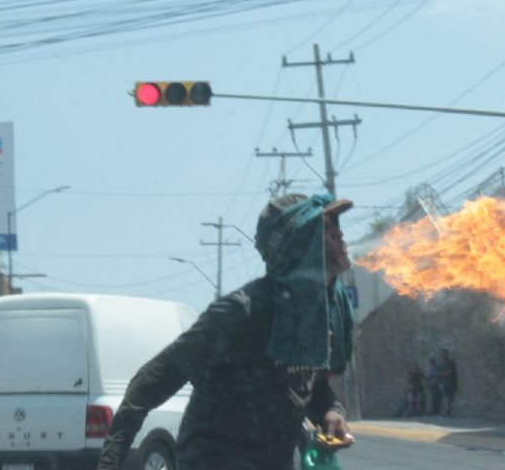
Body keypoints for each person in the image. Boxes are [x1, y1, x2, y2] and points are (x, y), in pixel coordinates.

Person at [97, 193, 356, 470]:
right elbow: (148, 384)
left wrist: (331, 410)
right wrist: (110, 462)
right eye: (326, 227)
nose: (340, 233)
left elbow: (305, 385)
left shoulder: (322, 315)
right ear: (298, 243)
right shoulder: (242, 312)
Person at [437, 349, 458, 418]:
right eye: (442, 354)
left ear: (447, 355)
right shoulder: (441, 364)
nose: (443, 356)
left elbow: (449, 373)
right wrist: (442, 375)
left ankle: (448, 414)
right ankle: (444, 414)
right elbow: (439, 373)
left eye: (444, 354)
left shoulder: (450, 363)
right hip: (444, 383)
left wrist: (441, 374)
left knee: (449, 399)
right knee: (444, 399)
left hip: (450, 383)